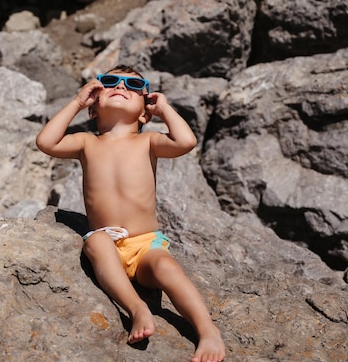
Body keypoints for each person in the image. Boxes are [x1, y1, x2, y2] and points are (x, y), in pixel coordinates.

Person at [36, 65, 226, 362]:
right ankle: (137, 309)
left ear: (143, 113)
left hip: (145, 245)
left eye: (134, 86)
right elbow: (46, 142)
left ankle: (207, 329)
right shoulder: (87, 143)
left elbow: (186, 142)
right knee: (94, 242)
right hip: (108, 242)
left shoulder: (148, 141)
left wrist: (164, 108)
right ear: (93, 108)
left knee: (166, 267)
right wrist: (76, 102)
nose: (120, 87)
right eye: (109, 83)